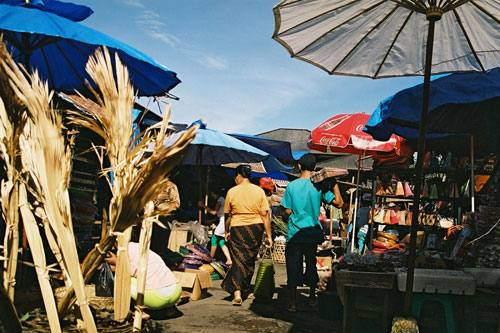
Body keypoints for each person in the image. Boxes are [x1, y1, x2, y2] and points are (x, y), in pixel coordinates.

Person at [280, 154, 342, 312]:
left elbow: (285, 209)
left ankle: (293, 303)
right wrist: (334, 184)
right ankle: (312, 297)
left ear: (299, 166)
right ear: (315, 168)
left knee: (293, 267)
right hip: (312, 234)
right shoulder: (319, 186)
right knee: (311, 265)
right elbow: (339, 203)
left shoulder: (292, 186)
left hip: (294, 234)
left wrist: (294, 213)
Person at [221, 164, 273, 306]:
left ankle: (238, 293)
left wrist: (226, 231)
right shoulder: (259, 191)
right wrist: (269, 236)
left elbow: (228, 215)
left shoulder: (232, 192)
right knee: (249, 259)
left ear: (238, 176)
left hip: (238, 227)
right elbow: (265, 215)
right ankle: (244, 289)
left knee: (238, 259)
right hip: (256, 228)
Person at [105, 241, 182, 319]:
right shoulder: (141, 247)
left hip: (156, 298)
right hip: (176, 290)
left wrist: (114, 262)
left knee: (121, 278)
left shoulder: (124, 251)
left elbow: (125, 270)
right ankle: (170, 309)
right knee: (157, 276)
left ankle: (143, 311)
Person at [199, 189, 232, 265]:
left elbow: (214, 212)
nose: (212, 196)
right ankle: (229, 259)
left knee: (214, 239)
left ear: (216, 194)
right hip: (223, 220)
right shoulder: (223, 199)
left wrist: (203, 205)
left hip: (223, 222)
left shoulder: (220, 200)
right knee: (221, 242)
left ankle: (210, 258)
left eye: (213, 194)